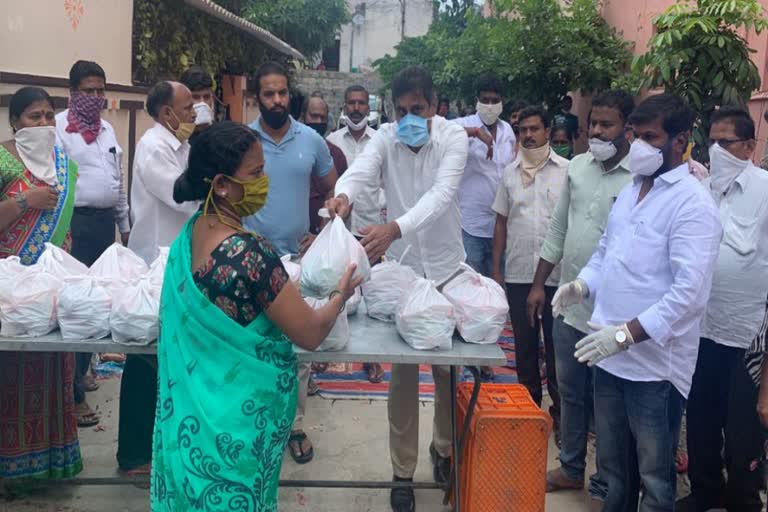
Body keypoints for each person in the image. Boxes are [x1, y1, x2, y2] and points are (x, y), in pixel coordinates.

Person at [150, 121, 361, 512]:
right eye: (256, 174)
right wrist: (340, 293)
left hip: (190, 424)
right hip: (237, 432)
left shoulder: (189, 236)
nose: (265, 182)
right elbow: (311, 332)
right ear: (221, 185)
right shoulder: (251, 256)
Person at [555, 94, 722, 511]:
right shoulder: (633, 190)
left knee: (654, 476)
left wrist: (627, 334)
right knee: (613, 472)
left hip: (654, 368)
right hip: (608, 354)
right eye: (636, 134)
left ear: (681, 140)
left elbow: (689, 294)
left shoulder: (692, 203)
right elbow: (606, 253)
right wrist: (581, 286)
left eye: (651, 137)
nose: (640, 145)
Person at [325, 65, 469, 512]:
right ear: (392, 109)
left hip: (445, 268)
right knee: (404, 373)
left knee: (448, 371)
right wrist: (343, 195)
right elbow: (360, 170)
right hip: (404, 275)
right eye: (401, 109)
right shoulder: (387, 138)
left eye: (418, 109)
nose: (408, 117)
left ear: (434, 106)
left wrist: (394, 228)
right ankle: (401, 472)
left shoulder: (453, 139)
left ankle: (443, 450)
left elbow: (441, 196)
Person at [528, 89, 635, 498]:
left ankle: (607, 480)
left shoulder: (639, 178)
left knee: (607, 403)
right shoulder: (576, 168)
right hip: (569, 304)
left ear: (626, 126)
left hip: (612, 315)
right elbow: (558, 229)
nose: (597, 132)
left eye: (607, 125)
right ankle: (571, 466)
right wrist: (539, 283)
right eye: (593, 124)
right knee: (569, 392)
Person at [244, 62, 337, 466]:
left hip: (298, 261)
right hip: (249, 258)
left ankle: (294, 427)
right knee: (252, 344)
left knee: (297, 349)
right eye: (269, 94)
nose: (278, 100)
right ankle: (252, 424)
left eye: (283, 93)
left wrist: (322, 231)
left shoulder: (312, 140)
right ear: (257, 97)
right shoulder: (243, 140)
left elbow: (336, 193)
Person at [679, 107, 768, 512]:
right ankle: (704, 491)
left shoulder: (765, 191)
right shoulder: (701, 190)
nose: (716, 150)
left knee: (742, 430)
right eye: (710, 142)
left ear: (749, 147)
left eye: (725, 142)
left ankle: (743, 500)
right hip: (700, 330)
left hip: (746, 335)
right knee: (699, 420)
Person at [0, 87, 82, 482]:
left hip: (51, 290)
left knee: (52, 370)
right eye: (34, 117)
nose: (44, 124)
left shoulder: (64, 163)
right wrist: (24, 201)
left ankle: (48, 467)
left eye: (50, 116)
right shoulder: (1, 157)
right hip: (8, 293)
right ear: (15, 121)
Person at [118, 81, 197, 477]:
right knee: (144, 359)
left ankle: (161, 447)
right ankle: (132, 456)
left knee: (167, 358)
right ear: (167, 113)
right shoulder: (154, 147)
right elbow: (180, 193)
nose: (195, 112)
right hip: (153, 262)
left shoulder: (179, 145)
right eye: (188, 107)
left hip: (175, 262)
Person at [55, 60, 126, 429]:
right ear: (73, 91)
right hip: (72, 226)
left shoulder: (108, 130)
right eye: (89, 90)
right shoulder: (57, 129)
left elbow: (118, 180)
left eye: (101, 90)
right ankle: (74, 396)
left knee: (98, 301)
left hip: (103, 227)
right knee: (75, 305)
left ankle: (81, 371)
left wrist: (124, 226)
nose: (96, 97)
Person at [490, 105, 567, 431]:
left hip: (558, 276)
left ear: (547, 131)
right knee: (524, 348)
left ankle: (562, 417)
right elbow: (501, 223)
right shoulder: (509, 174)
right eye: (523, 130)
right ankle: (529, 413)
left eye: (535, 129)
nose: (529, 135)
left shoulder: (568, 171)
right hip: (520, 273)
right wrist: (496, 270)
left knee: (557, 350)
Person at [301, 94, 348, 236]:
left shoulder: (336, 154)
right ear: (303, 117)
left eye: (323, 118)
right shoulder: (290, 151)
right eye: (314, 116)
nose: (318, 121)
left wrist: (322, 234)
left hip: (324, 237)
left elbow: (341, 196)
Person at [179, 65, 216, 138]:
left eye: (206, 97)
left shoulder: (218, 135)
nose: (202, 102)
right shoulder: (177, 137)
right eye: (195, 97)